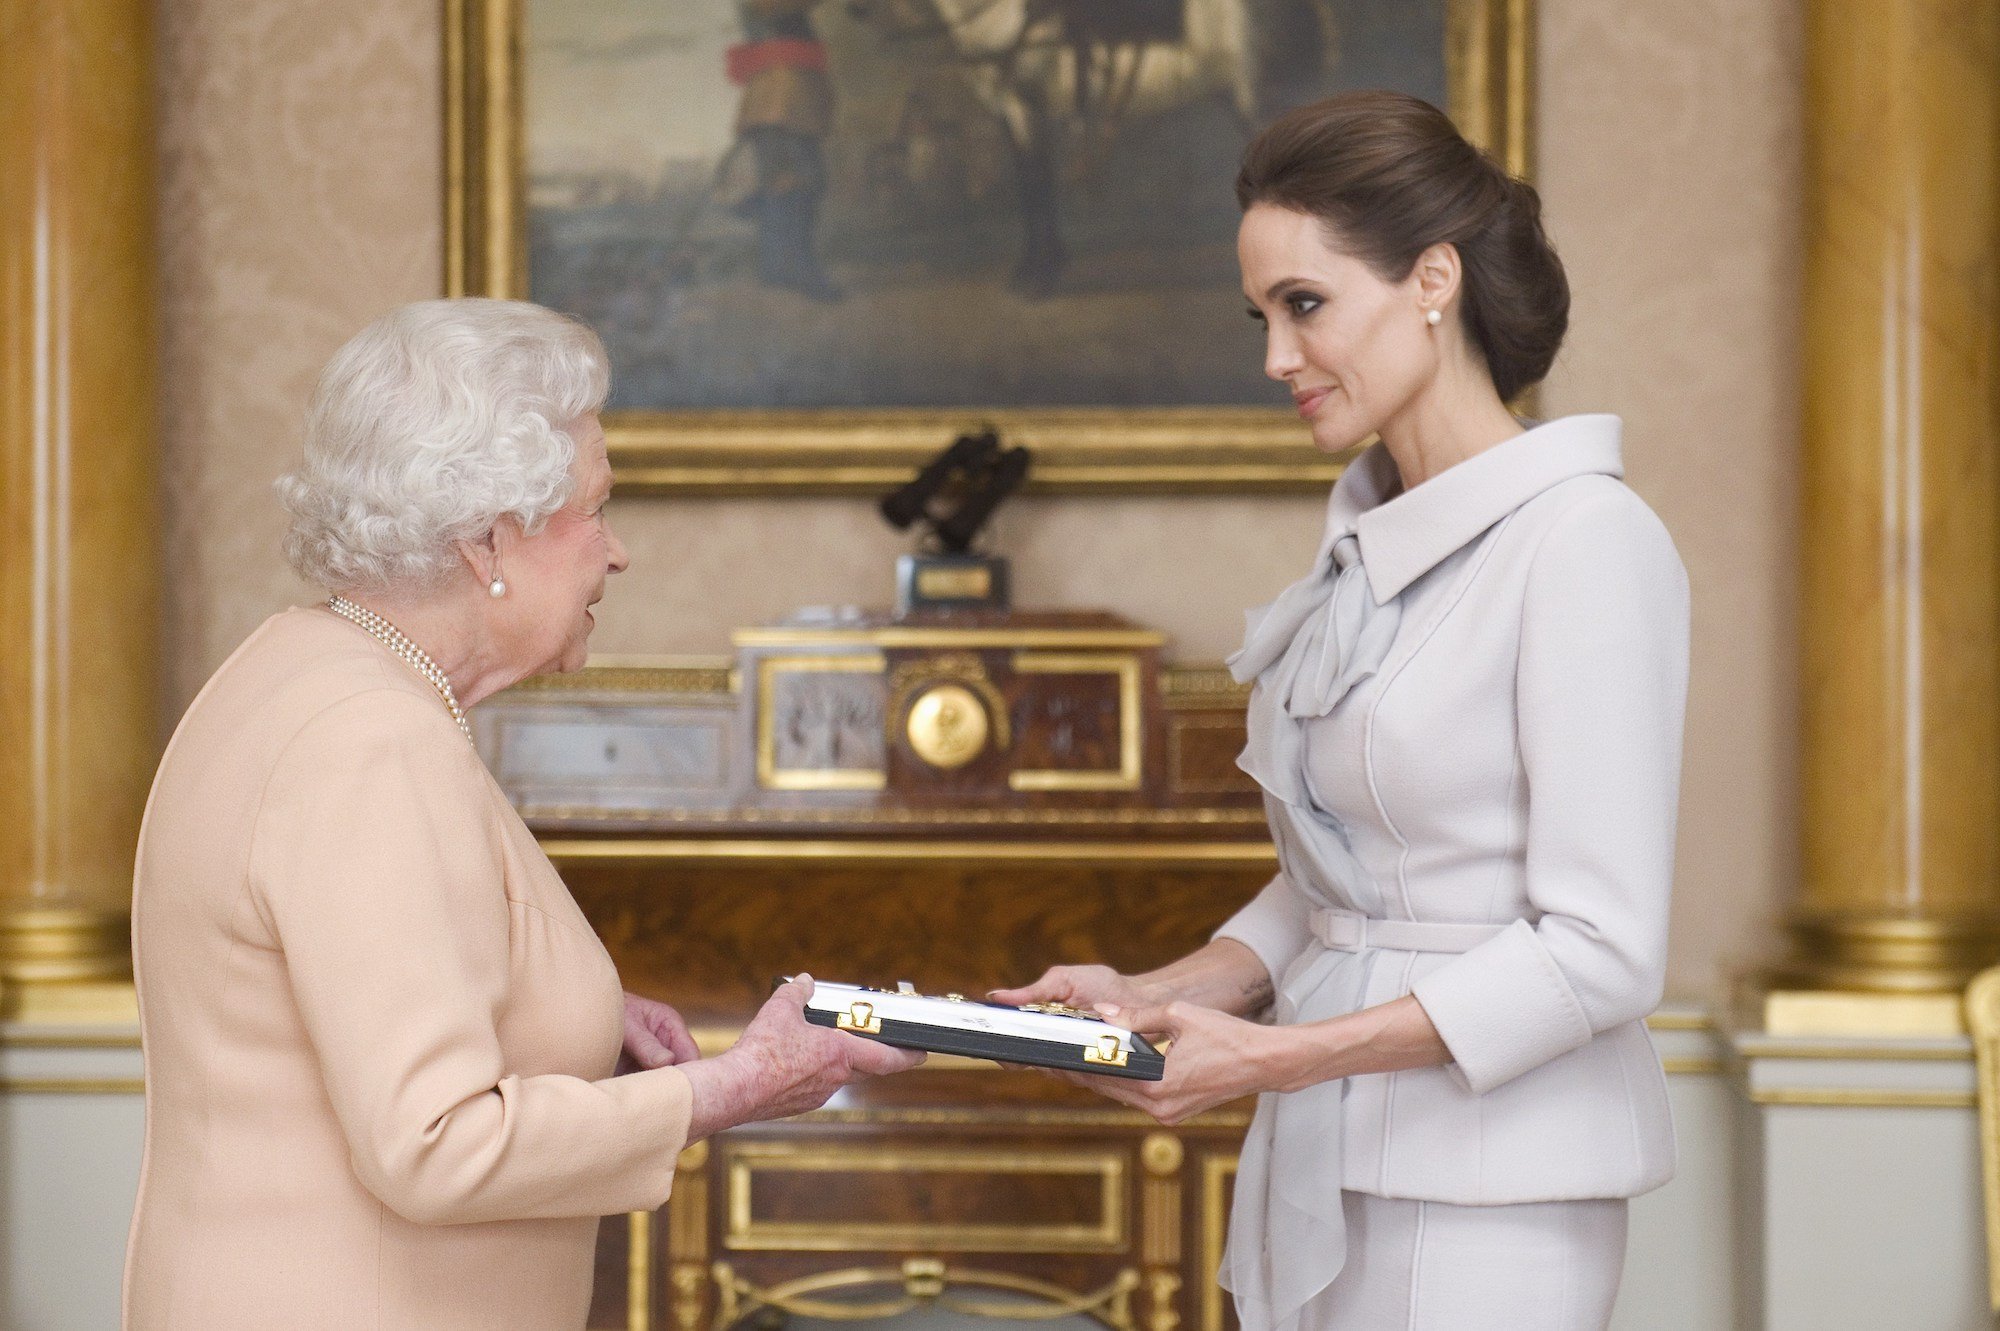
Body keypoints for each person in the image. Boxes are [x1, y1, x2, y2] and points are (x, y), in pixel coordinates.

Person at [996, 90, 1688, 1330]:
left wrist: (1272, 1056)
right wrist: (1169, 989)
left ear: (1434, 278)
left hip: (1498, 1188)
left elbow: (1603, 945)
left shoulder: (1584, 540)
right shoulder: (1364, 551)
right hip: (1328, 1145)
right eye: (1260, 315)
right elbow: (1343, 881)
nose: (1274, 357)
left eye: (1303, 305)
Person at [122, 298, 920, 1329]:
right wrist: (732, 1086)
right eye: (594, 508)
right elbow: (436, 1142)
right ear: (489, 538)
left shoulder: (306, 667)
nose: (616, 551)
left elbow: (351, 976)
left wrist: (573, 1014)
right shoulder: (374, 739)